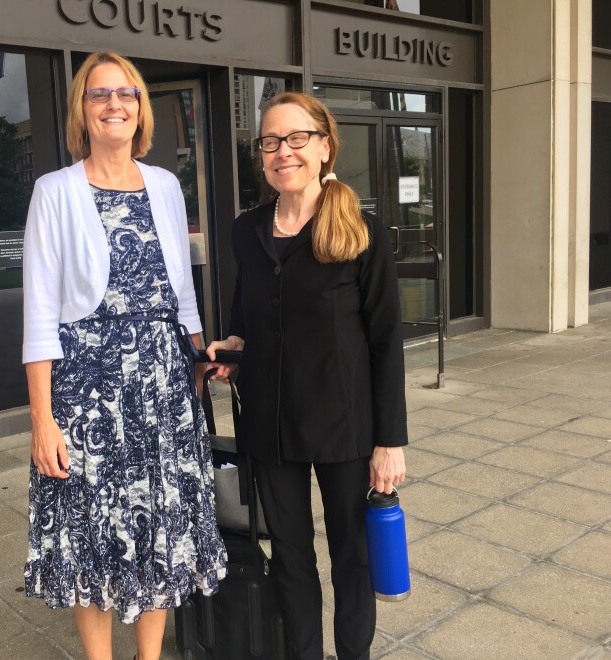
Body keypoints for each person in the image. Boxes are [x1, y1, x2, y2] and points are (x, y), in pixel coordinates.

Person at [21, 52, 226, 660]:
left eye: (127, 94)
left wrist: (197, 356)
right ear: (81, 111)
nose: (115, 105)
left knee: (162, 515)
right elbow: (38, 314)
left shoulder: (164, 185)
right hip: (87, 386)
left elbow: (181, 290)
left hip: (164, 381)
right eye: (99, 94)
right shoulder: (55, 191)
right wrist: (42, 419)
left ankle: (151, 656)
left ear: (142, 109)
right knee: (90, 525)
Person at [206, 92, 408, 660]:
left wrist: (390, 441)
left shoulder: (360, 230)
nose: (282, 151)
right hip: (270, 426)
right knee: (291, 559)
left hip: (345, 424)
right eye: (271, 141)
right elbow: (248, 315)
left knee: (352, 558)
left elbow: (387, 340)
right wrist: (234, 347)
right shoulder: (247, 230)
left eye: (297, 138)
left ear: (324, 147)